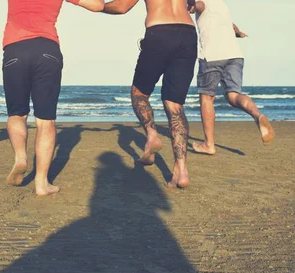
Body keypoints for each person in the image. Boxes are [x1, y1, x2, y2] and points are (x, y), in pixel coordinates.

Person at [3, 0, 105, 196]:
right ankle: (41, 183)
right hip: (47, 50)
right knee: (45, 120)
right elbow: (98, 5)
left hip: (15, 50)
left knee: (17, 114)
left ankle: (20, 157)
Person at [101, 0, 197, 189]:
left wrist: (101, 6)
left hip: (159, 32)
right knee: (175, 105)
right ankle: (182, 170)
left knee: (139, 93)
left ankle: (152, 135)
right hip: (188, 34)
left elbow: (122, 6)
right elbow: (192, 6)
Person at [189, 0, 275, 155]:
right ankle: (258, 115)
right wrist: (239, 33)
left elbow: (200, 5)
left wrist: (191, 4)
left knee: (207, 98)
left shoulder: (203, 2)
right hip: (234, 55)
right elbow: (232, 26)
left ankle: (209, 144)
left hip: (212, 55)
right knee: (234, 95)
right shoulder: (221, 5)